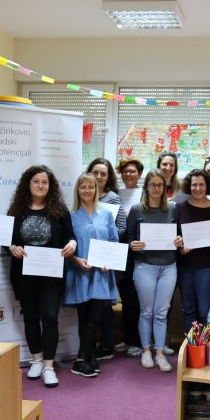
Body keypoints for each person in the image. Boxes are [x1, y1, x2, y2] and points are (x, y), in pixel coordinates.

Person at [7, 165, 77, 388]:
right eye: (36, 181)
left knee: (49, 318)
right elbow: (7, 240)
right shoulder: (17, 210)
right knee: (30, 317)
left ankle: (48, 366)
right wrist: (12, 248)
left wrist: (72, 244)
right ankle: (36, 360)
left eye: (44, 182)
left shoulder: (60, 210)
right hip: (24, 275)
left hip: (51, 275)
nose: (40, 185)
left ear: (50, 186)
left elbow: (71, 237)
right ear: (28, 184)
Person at [127, 170, 183, 372]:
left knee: (161, 312)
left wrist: (179, 240)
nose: (157, 188)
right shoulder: (136, 210)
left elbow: (179, 235)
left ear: (165, 188)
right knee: (147, 311)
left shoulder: (173, 209)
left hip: (168, 266)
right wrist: (132, 244)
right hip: (145, 266)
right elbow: (129, 237)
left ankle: (159, 353)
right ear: (147, 187)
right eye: (153, 185)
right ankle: (146, 351)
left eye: (160, 185)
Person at [64, 173, 119, 378]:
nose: (87, 190)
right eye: (83, 187)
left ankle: (80, 359)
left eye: (91, 187)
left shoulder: (106, 214)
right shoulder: (70, 216)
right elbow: (66, 247)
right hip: (80, 272)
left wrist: (109, 262)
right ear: (77, 190)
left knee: (95, 317)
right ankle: (87, 356)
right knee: (84, 317)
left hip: (101, 274)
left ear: (96, 190)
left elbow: (114, 241)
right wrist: (77, 260)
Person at [176, 169, 210, 332]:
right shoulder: (179, 208)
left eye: (201, 184)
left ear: (207, 186)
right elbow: (174, 238)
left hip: (207, 267)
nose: (198, 188)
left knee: (205, 311)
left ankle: (207, 345)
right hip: (185, 266)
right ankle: (191, 344)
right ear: (188, 186)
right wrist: (180, 248)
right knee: (188, 310)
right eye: (194, 185)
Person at [87, 158, 126, 360]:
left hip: (105, 257)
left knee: (104, 303)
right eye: (95, 172)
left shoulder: (112, 198)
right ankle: (89, 344)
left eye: (103, 173)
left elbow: (122, 228)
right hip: (86, 256)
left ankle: (107, 346)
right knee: (89, 302)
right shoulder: (84, 193)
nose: (99, 176)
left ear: (108, 177)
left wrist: (103, 236)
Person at [114, 158, 144, 357]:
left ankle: (137, 341)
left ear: (139, 174)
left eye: (132, 171)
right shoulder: (116, 194)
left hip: (137, 251)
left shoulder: (145, 194)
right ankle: (127, 339)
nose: (128, 174)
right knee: (125, 296)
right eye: (125, 171)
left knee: (136, 298)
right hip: (118, 250)